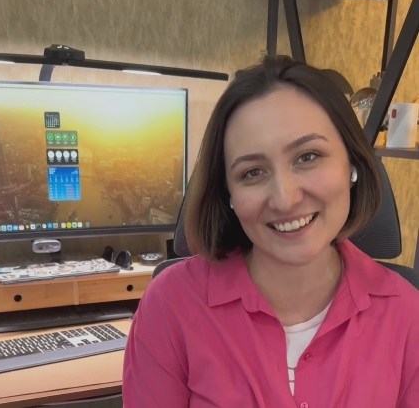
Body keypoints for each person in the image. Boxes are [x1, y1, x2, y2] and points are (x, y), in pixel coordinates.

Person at [123, 56, 419, 407]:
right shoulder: (171, 305)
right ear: (229, 194)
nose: (284, 198)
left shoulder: (407, 316)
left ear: (351, 163)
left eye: (307, 156)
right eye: (252, 173)